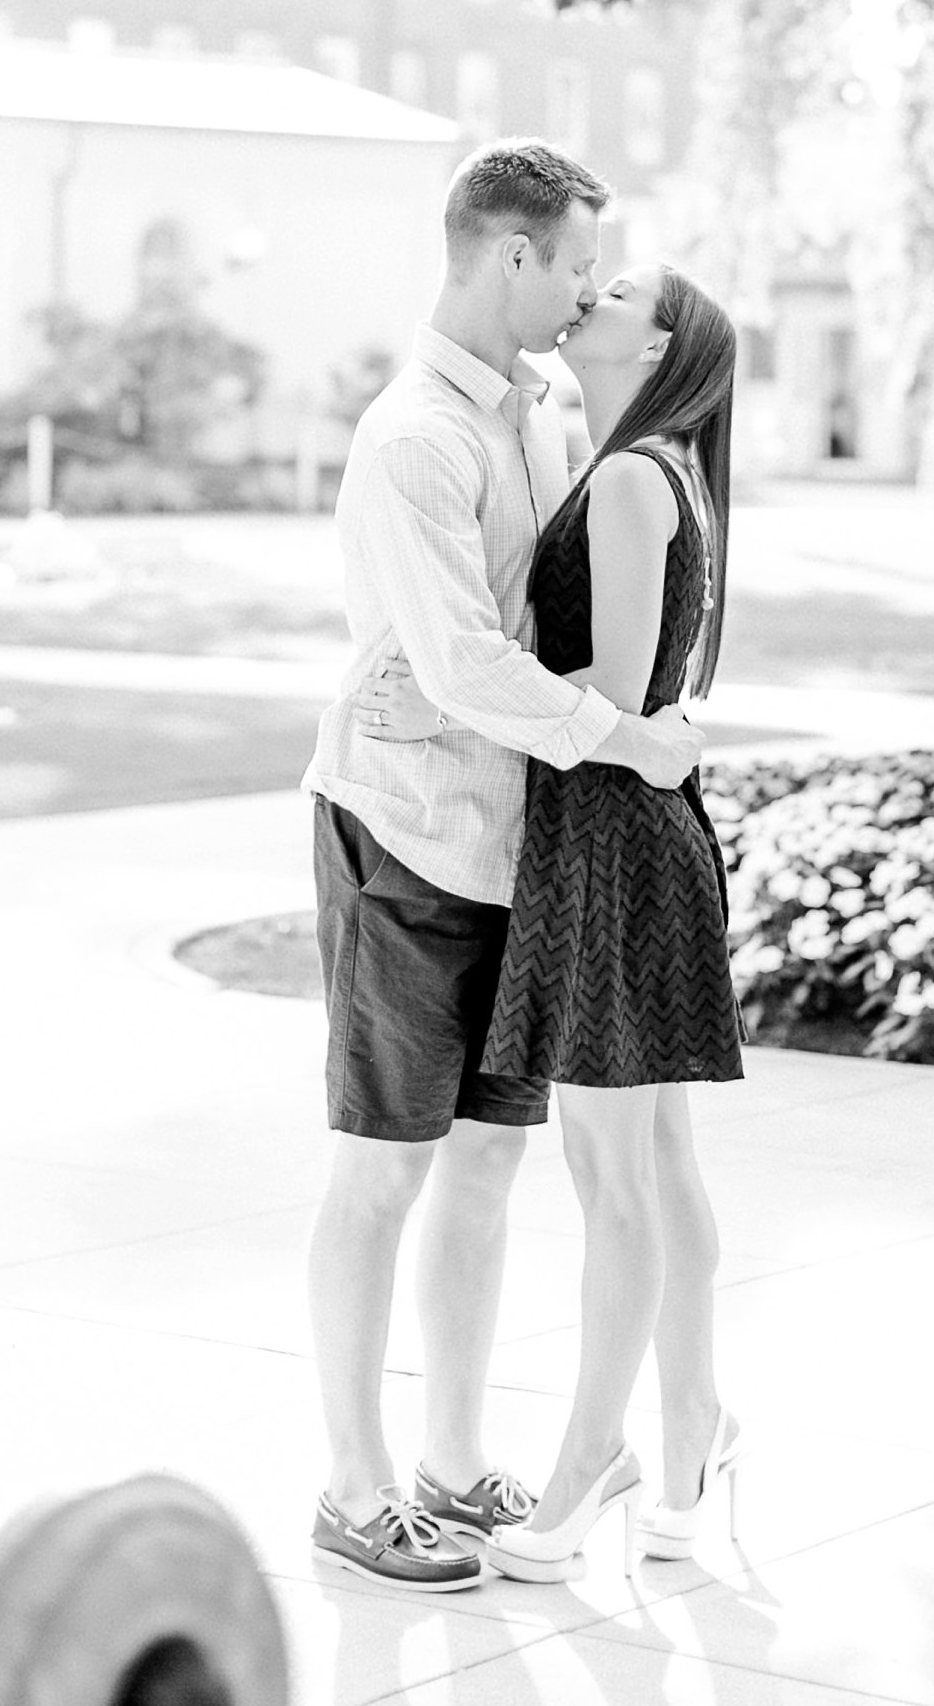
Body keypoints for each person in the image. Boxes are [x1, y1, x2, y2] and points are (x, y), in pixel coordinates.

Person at [302, 143, 706, 1592]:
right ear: (511, 257)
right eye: (577, 264)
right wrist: (622, 738)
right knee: (379, 1173)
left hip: (519, 850)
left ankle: (454, 1464)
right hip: (405, 831)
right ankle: (353, 1489)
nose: (590, 290)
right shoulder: (414, 438)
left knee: (483, 1168)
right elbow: (466, 663)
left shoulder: (542, 403)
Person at [478, 260, 746, 1585]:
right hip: (625, 839)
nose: (595, 290)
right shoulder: (642, 467)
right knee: (661, 1169)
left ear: (664, 341)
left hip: (615, 847)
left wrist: (464, 671)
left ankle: (596, 1457)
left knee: (614, 1184)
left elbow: (621, 694)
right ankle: (691, 1422)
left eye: (624, 287)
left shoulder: (639, 479)